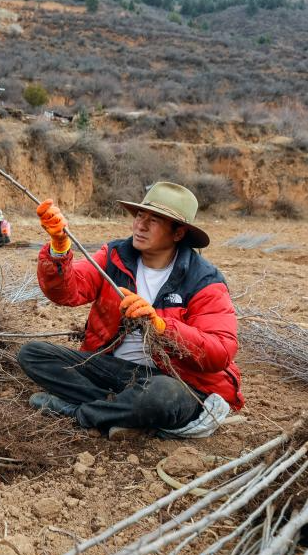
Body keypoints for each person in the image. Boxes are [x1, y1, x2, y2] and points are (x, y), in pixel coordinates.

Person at [17, 181, 243, 440]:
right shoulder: (115, 256)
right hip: (114, 370)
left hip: (174, 380)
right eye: (139, 215)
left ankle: (80, 413)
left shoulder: (203, 280)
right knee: (33, 354)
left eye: (154, 220)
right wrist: (59, 245)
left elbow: (220, 352)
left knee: (162, 396)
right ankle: (121, 411)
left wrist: (160, 326)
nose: (141, 225)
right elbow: (67, 291)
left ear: (178, 233)